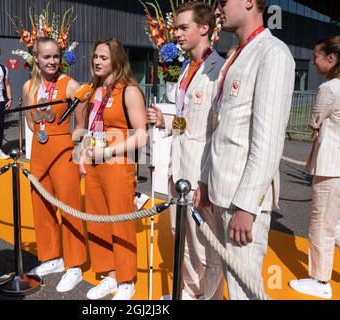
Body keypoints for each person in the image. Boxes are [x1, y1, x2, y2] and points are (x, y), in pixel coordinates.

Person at [195, 0, 295, 300]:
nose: (216, 10)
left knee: (244, 291)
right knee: (228, 280)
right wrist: (204, 180)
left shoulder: (273, 54)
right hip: (220, 191)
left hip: (242, 199)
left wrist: (247, 206)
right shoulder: (237, 55)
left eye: (222, 2)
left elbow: (268, 140)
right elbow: (219, 127)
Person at [147, 2, 225, 300]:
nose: (175, 33)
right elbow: (192, 121)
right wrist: (166, 120)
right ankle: (190, 293)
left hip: (199, 173)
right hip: (177, 168)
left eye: (182, 27)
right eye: (175, 27)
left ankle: (207, 296)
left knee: (204, 244)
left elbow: (215, 131)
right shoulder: (186, 68)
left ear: (204, 28)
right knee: (185, 238)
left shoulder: (217, 71)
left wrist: (206, 179)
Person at [80, 38, 148, 300]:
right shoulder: (94, 89)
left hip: (118, 164)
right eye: (95, 56)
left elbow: (142, 136)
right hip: (95, 164)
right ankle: (109, 274)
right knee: (97, 221)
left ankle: (126, 279)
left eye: (104, 58)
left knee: (119, 222)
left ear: (117, 61)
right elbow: (91, 127)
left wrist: (107, 151)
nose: (97, 61)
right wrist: (83, 158)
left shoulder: (129, 90)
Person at [23, 37, 88, 293]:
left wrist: (72, 145)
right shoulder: (29, 86)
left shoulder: (70, 85)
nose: (51, 62)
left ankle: (75, 265)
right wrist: (42, 130)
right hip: (39, 150)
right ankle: (52, 257)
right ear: (36, 59)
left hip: (63, 151)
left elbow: (81, 124)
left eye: (55, 57)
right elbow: (30, 120)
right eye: (46, 57)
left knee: (69, 207)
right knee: (41, 205)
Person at [289, 35, 340, 299]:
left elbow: (314, 120)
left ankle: (320, 280)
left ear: (331, 58)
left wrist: (316, 125)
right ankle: (322, 278)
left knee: (320, 225)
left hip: (331, 166)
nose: (313, 61)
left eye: (316, 56)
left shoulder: (330, 89)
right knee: (333, 223)